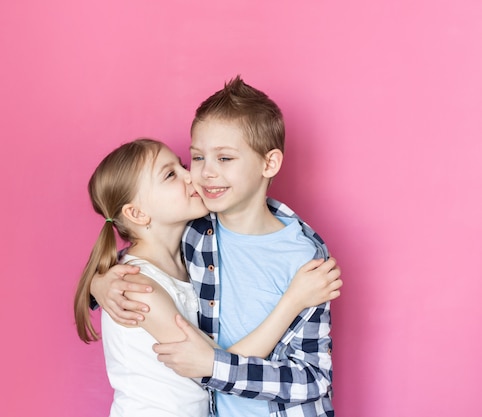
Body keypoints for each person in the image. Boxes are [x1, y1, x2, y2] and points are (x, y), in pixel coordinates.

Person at [92, 77, 340, 417]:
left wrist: (214, 366)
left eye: (225, 158)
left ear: (269, 164)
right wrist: (100, 284)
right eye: (196, 157)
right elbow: (144, 257)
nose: (203, 174)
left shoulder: (306, 260)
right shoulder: (195, 233)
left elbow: (313, 380)